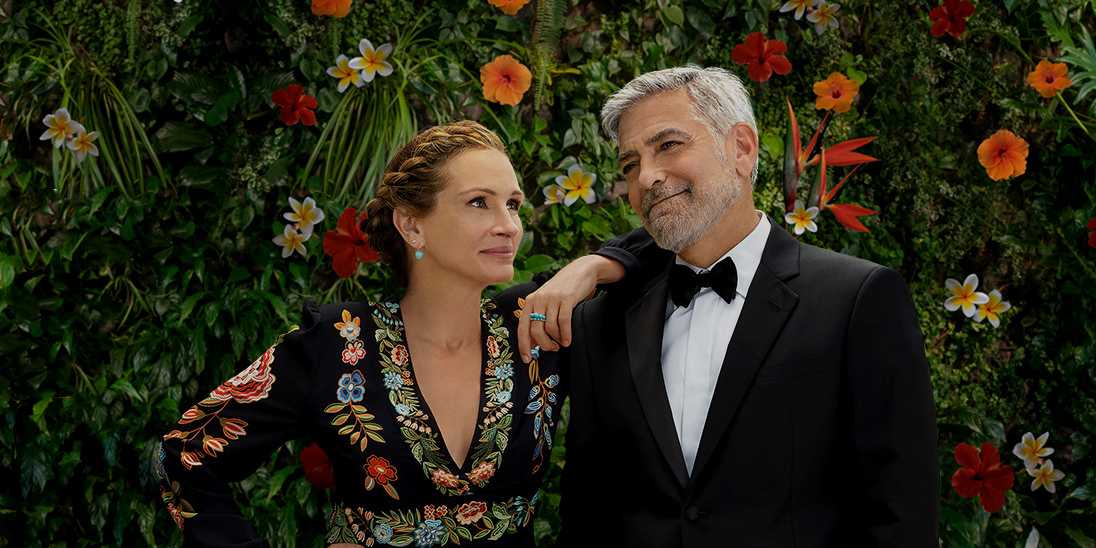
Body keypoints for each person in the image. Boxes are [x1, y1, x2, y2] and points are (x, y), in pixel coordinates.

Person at [154, 121, 643, 547]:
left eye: (513, 205)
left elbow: (670, 241)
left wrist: (590, 266)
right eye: (479, 203)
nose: (509, 226)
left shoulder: (535, 327)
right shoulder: (336, 344)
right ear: (412, 226)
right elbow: (184, 455)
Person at [522, 66, 938, 546]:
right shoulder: (602, 322)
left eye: (669, 145)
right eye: (630, 165)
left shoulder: (856, 300)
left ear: (741, 148)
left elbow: (901, 516)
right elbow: (587, 513)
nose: (647, 177)